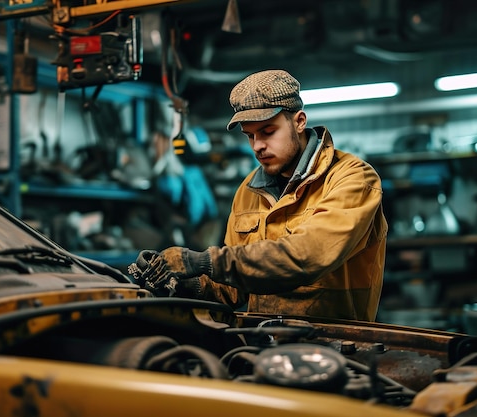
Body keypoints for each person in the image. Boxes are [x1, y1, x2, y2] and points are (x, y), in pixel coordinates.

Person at [130, 69, 387, 321]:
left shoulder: (352, 178)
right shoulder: (248, 190)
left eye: (267, 132)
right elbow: (233, 286)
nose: (257, 146)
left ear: (299, 121)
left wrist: (201, 260)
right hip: (263, 341)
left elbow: (306, 257)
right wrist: (181, 284)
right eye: (250, 135)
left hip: (338, 344)